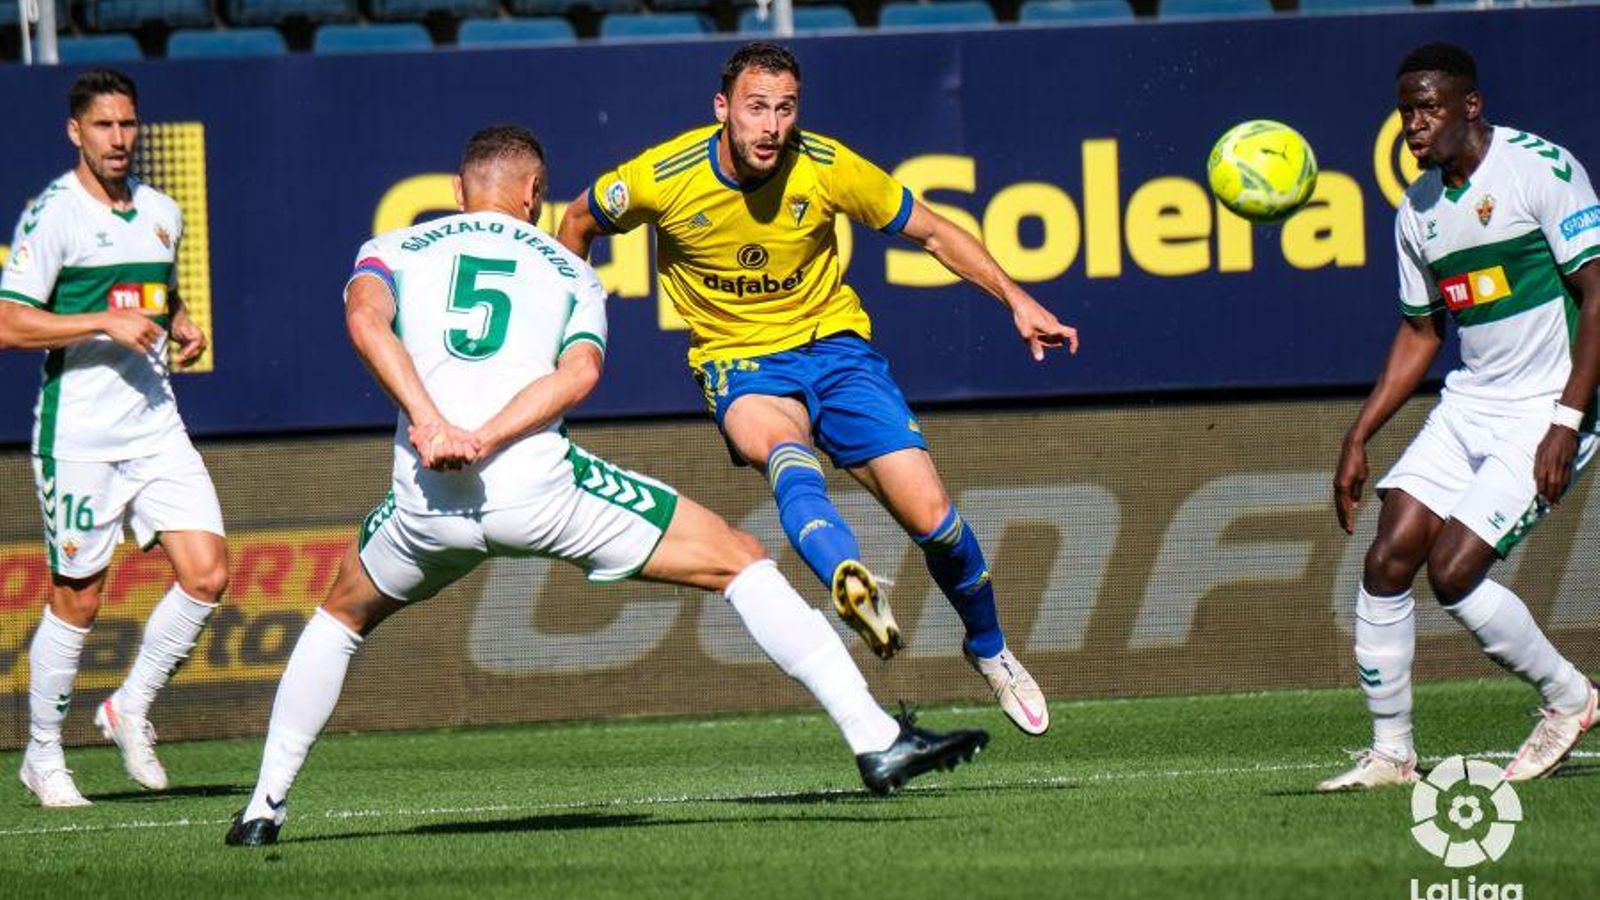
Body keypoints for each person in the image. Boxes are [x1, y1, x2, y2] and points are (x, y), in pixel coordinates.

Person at [225, 125, 988, 847]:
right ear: (536, 198)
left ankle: (264, 807)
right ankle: (875, 739)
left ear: (460, 191)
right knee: (740, 559)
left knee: (340, 615)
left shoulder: (391, 246)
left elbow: (366, 324)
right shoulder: (568, 271)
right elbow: (581, 374)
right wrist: (488, 439)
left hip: (426, 500)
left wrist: (431, 424)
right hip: (538, 490)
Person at [557, 42, 1076, 737]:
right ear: (723, 110)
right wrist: (569, 326)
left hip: (836, 354)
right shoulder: (662, 176)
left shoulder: (825, 165)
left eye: (785, 109)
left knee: (937, 521)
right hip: (739, 362)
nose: (770, 126)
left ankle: (989, 650)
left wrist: (1015, 298)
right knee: (782, 449)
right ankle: (847, 578)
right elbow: (577, 223)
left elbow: (930, 230)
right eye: (755, 108)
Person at [1323, 43, 1600, 791]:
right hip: (1472, 401)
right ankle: (1392, 755)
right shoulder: (1416, 209)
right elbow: (1421, 332)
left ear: (1470, 107)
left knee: (1452, 571)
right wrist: (1359, 435)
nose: (1413, 125)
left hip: (1549, 405)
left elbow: (1599, 295)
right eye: (1405, 111)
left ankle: (1569, 700)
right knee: (1388, 558)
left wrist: (1568, 418)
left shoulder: (1540, 170)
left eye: (1428, 108)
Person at [0, 69, 230, 807]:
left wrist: (180, 317)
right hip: (81, 436)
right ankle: (42, 757)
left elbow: (154, 291)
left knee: (208, 574)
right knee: (79, 598)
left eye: (128, 125)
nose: (119, 139)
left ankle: (128, 705)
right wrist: (101, 320)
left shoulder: (162, 211)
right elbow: (9, 324)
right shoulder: (52, 215)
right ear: (76, 132)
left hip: (156, 424)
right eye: (104, 126)